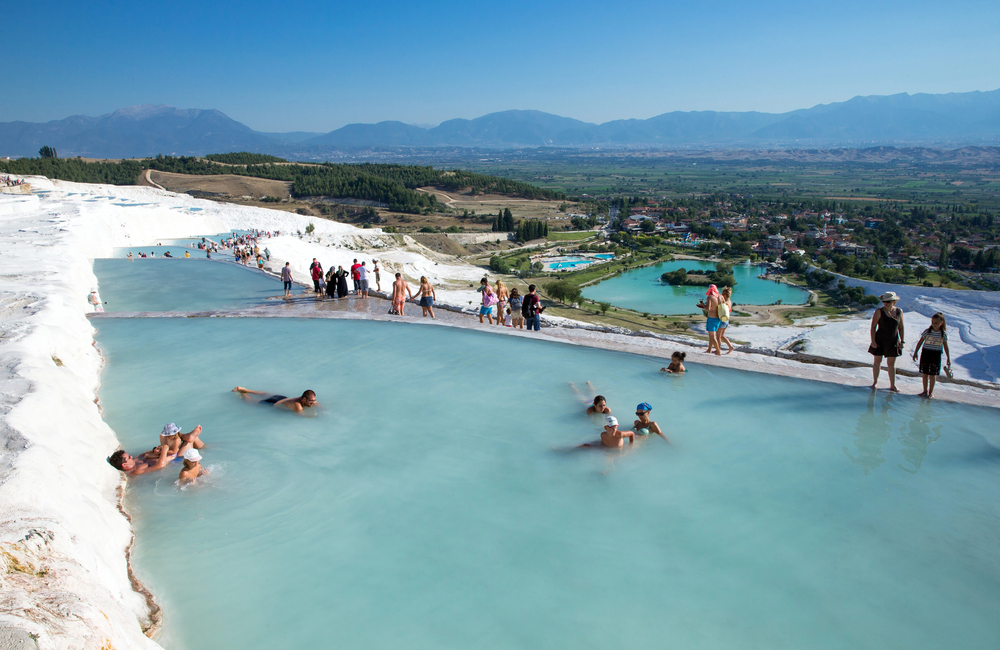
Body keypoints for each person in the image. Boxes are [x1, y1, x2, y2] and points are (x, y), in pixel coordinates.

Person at [868, 291, 905, 392]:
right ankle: (875, 382)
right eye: (884, 301)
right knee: (877, 362)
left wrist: (902, 341)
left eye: (888, 301)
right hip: (880, 339)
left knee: (891, 364)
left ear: (893, 301)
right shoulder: (879, 311)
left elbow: (901, 327)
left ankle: (892, 385)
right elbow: (873, 327)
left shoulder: (899, 311)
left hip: (893, 339)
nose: (885, 303)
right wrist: (873, 341)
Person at [911, 312, 951, 398]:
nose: (934, 324)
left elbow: (945, 346)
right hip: (926, 353)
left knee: (933, 374)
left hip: (936, 355)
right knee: (925, 373)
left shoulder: (943, 334)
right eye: (932, 322)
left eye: (936, 323)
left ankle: (930, 392)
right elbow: (920, 342)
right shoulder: (927, 331)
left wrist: (948, 358)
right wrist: (915, 352)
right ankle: (924, 391)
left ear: (941, 323)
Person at [107, 439, 194, 477]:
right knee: (189, 442)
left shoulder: (134, 461)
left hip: (168, 456)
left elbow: (143, 454)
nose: (131, 456)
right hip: (175, 461)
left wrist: (154, 450)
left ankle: (203, 445)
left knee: (188, 440)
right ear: (125, 465)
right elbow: (159, 466)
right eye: (129, 457)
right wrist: (164, 449)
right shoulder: (135, 471)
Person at [232, 387, 319, 413]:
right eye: (311, 401)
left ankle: (247, 390)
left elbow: (318, 405)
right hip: (273, 403)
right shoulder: (298, 405)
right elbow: (302, 416)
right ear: (304, 399)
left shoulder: (309, 400)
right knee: (250, 402)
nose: (313, 403)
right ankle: (243, 392)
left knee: (264, 393)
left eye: (313, 400)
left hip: (281, 397)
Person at [697, 285, 722, 355]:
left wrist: (703, 306)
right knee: (712, 336)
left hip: (711, 318)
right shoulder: (719, 297)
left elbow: (708, 309)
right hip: (718, 318)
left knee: (712, 336)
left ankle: (718, 351)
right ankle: (709, 349)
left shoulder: (710, 297)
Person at [718, 286, 735, 354]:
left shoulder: (725, 302)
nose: (721, 295)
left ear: (725, 295)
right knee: (722, 335)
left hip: (722, 320)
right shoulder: (730, 301)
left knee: (718, 336)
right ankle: (730, 346)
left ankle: (718, 349)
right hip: (727, 320)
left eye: (722, 294)